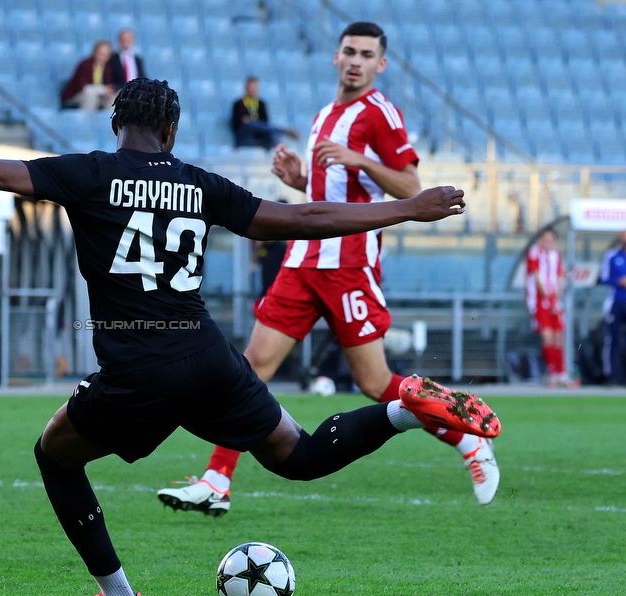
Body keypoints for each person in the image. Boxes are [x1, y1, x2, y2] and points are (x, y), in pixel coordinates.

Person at [0, 77, 500, 596]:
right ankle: (406, 410)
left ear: (118, 125)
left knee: (54, 454)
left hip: (138, 369)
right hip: (206, 354)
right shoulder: (199, 184)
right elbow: (307, 217)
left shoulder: (89, 172)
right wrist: (407, 208)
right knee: (300, 455)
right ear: (171, 130)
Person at [159, 22, 500, 515]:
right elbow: (330, 198)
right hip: (303, 260)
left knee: (374, 383)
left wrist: (358, 158)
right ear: (335, 57)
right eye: (349, 52)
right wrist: (301, 180)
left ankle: (466, 439)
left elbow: (410, 188)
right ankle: (217, 479)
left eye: (367, 54)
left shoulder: (379, 113)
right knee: (249, 369)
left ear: (380, 64)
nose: (356, 60)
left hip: (350, 265)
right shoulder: (324, 115)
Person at [525, 226, 573, 387]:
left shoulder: (557, 256)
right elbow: (537, 278)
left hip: (554, 300)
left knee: (558, 337)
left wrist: (556, 299)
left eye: (550, 240)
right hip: (541, 300)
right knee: (547, 336)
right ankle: (552, 373)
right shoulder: (534, 253)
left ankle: (562, 373)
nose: (547, 243)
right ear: (540, 241)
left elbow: (560, 277)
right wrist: (548, 299)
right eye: (545, 240)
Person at [231, 76, 299, 149]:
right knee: (251, 124)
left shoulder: (261, 103)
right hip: (245, 136)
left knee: (269, 134)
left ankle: (279, 143)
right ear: (246, 87)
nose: (252, 89)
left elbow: (265, 122)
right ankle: (282, 130)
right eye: (250, 86)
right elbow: (236, 123)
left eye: (254, 86)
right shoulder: (238, 103)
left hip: (259, 136)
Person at [600, 229, 626, 384]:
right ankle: (611, 375)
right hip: (616, 301)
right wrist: (618, 280)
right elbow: (602, 277)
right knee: (612, 339)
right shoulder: (612, 255)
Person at [61, 40, 116, 111]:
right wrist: (103, 90)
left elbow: (108, 87)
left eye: (106, 55)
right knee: (90, 96)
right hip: (76, 95)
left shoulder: (107, 68)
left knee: (113, 98)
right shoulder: (85, 64)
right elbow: (84, 87)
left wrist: (109, 91)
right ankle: (88, 120)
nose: (102, 57)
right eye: (100, 54)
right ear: (94, 52)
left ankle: (109, 120)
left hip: (98, 95)